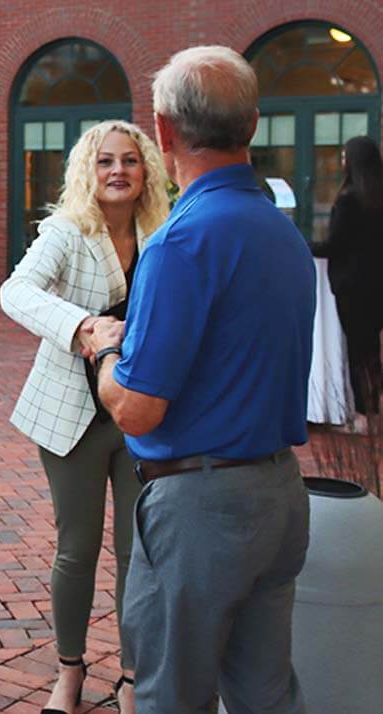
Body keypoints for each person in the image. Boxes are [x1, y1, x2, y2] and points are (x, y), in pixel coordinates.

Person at [90, 46, 315, 712]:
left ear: (161, 133)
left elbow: (136, 410)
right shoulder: (283, 232)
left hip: (202, 507)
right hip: (278, 491)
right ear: (251, 122)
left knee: (170, 698)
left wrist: (105, 351)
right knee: (265, 694)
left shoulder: (182, 240)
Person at [0, 120, 169, 714]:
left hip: (141, 413)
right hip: (71, 414)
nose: (118, 171)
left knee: (137, 551)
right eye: (105, 161)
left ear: (147, 169)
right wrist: (83, 326)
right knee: (77, 548)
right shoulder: (69, 231)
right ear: (87, 172)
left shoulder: (163, 231)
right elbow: (15, 291)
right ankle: (68, 672)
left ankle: (129, 675)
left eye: (129, 160)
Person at [311, 135, 383, 415]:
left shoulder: (348, 201)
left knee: (357, 350)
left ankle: (366, 412)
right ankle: (373, 406)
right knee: (371, 350)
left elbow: (334, 245)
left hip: (352, 287)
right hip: (377, 284)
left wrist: (303, 246)